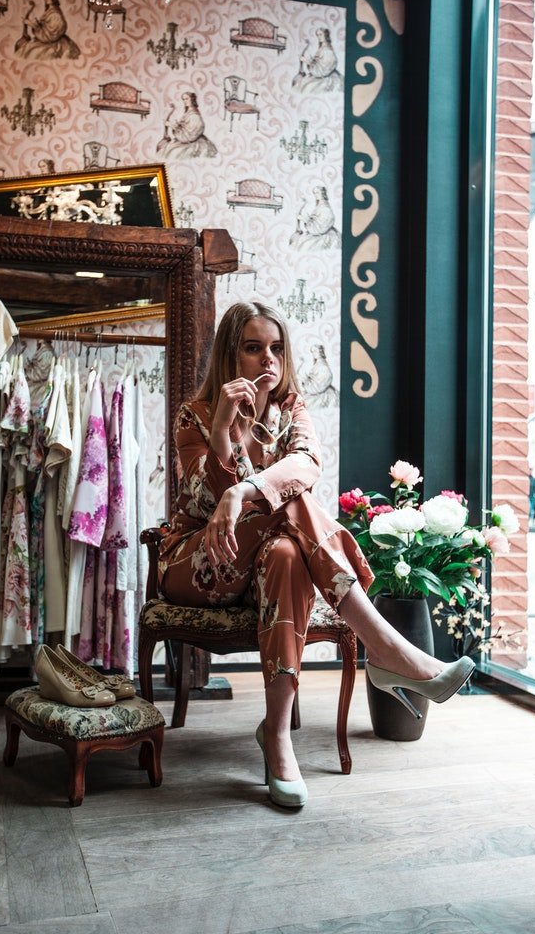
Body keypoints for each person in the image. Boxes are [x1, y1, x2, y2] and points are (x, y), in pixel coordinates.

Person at [158, 301, 475, 808]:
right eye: (254, 347)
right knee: (290, 503)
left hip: (264, 562)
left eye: (277, 348)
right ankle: (388, 651)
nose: (268, 360)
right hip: (198, 563)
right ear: (229, 354)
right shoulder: (193, 414)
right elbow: (202, 503)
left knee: (287, 551)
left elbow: (307, 462)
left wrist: (245, 490)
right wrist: (222, 434)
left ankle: (278, 736)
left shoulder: (291, 409)